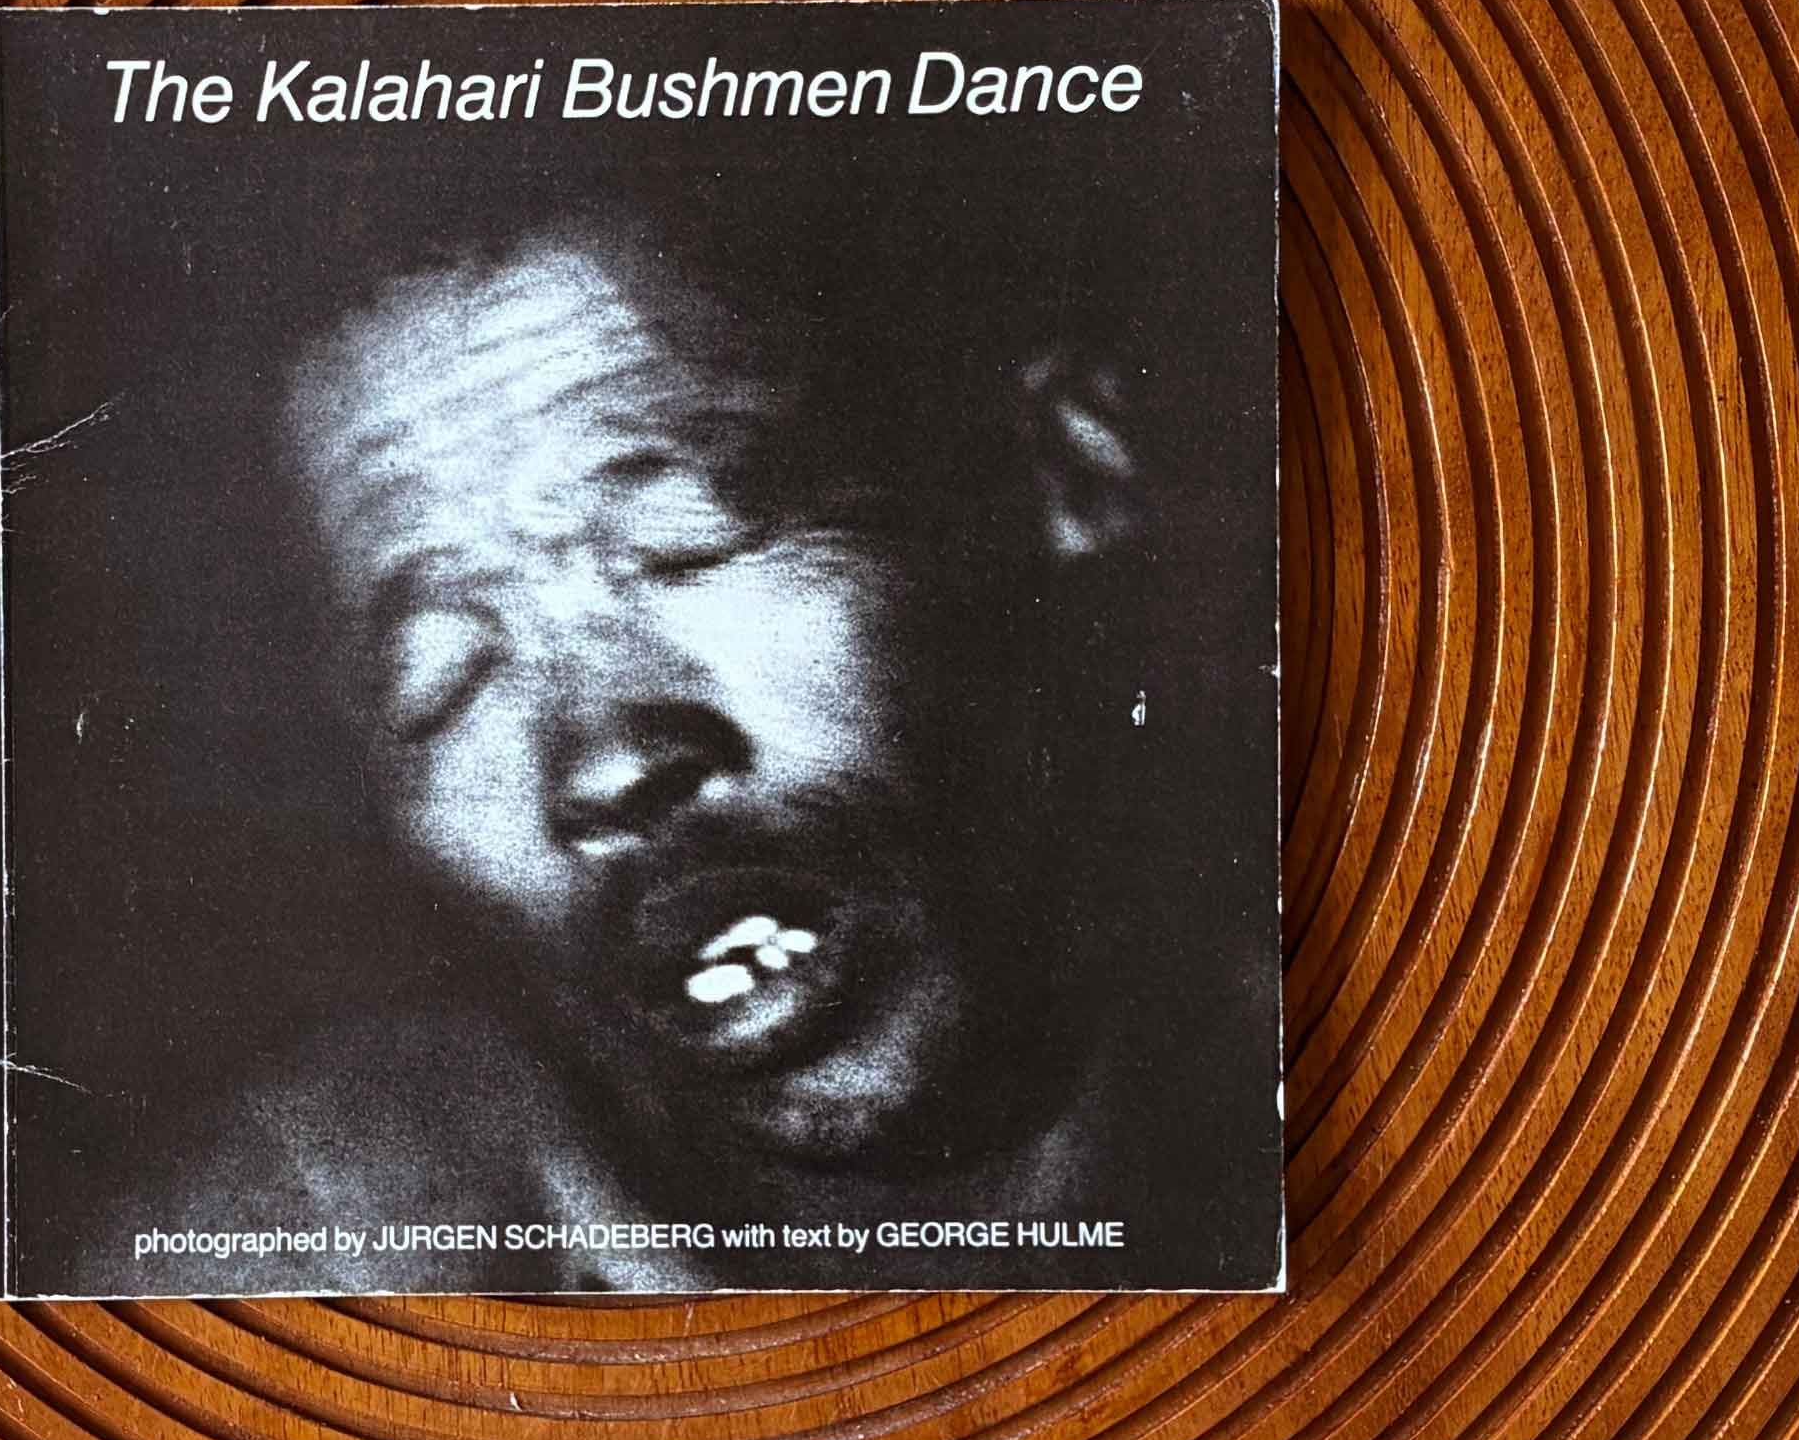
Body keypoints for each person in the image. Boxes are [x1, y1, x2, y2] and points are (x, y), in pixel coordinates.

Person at [65, 182, 1174, 1293]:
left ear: (1063, 465)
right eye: (442, 680)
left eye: (685, 544)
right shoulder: (266, 1281)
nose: (606, 761)